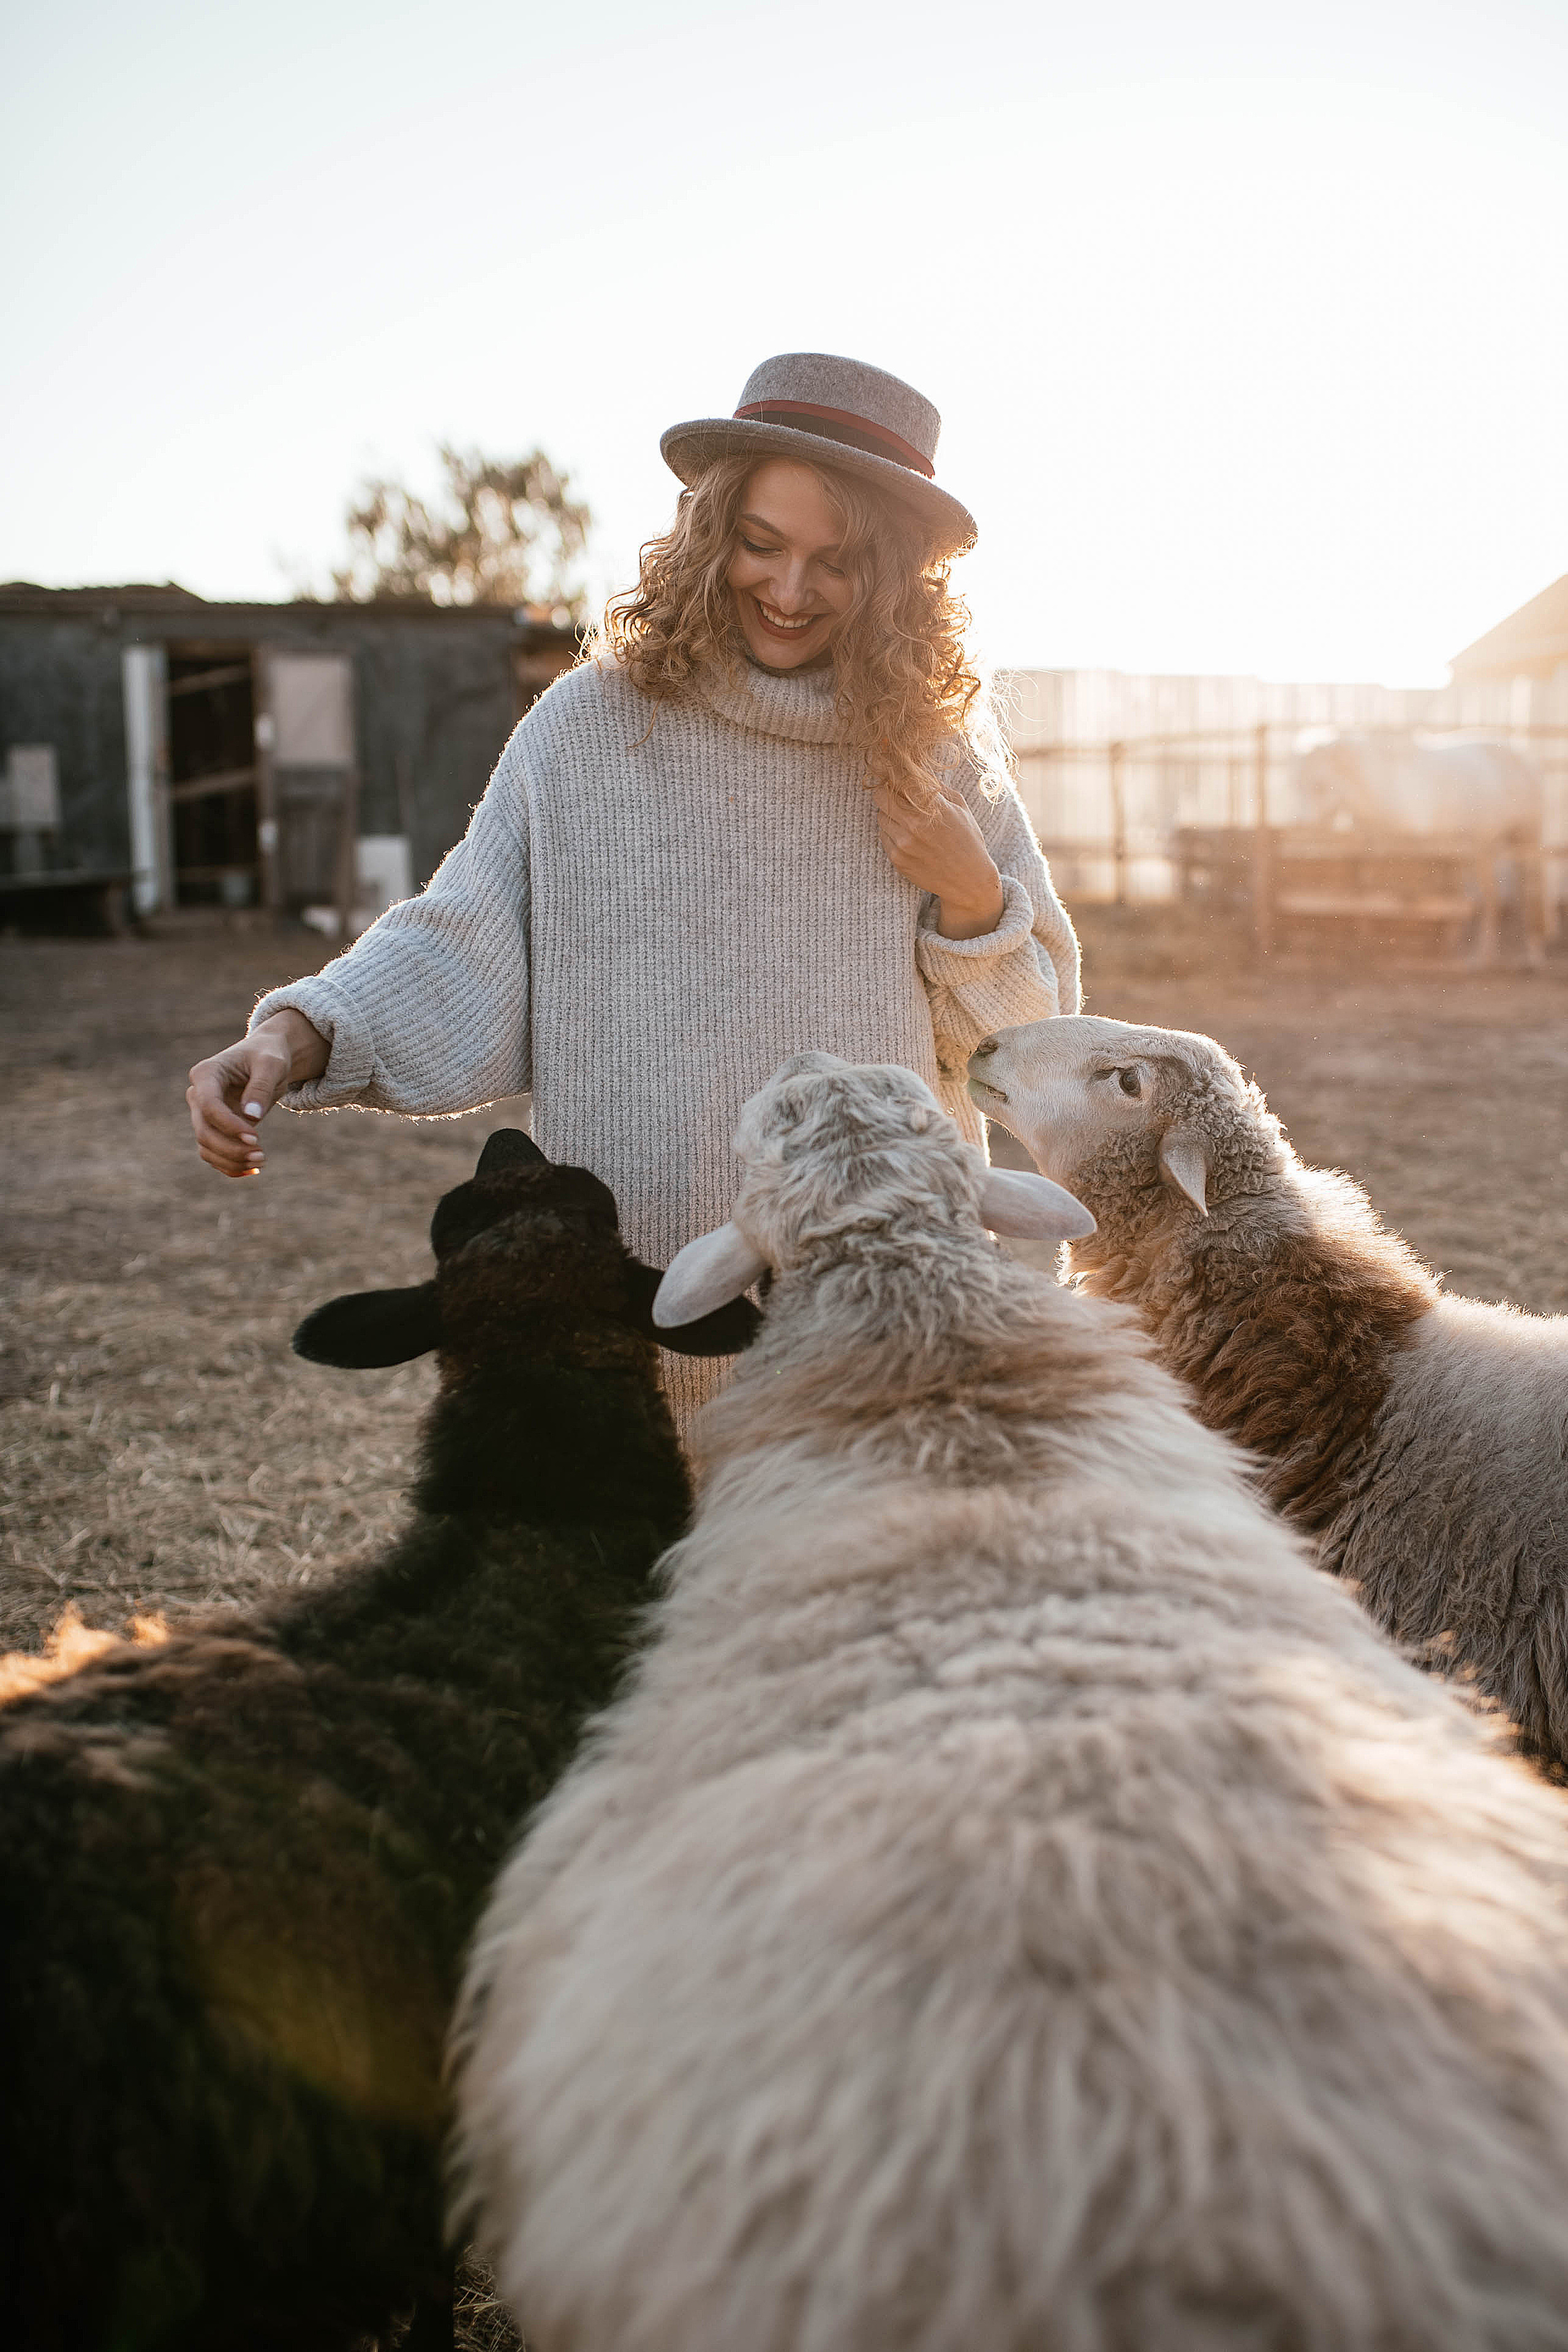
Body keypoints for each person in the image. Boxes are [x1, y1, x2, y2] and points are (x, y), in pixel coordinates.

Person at [187, 352, 1080, 1423]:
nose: (790, 592)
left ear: (894, 579)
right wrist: (294, 1037)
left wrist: (977, 902)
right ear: (710, 531)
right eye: (762, 544)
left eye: (835, 563)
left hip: (881, 1334)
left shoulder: (941, 765)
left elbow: (1021, 1052)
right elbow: (459, 942)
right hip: (635, 1322)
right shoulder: (592, 730)